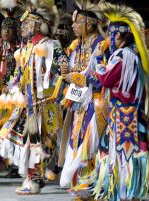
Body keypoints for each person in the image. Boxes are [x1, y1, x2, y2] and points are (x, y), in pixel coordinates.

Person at [0, 0, 68, 195]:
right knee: (19, 140)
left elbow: (62, 66)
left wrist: (62, 72)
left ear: (37, 25)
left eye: (27, 24)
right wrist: (11, 87)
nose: (23, 28)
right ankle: (32, 178)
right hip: (28, 103)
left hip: (44, 104)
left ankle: (35, 180)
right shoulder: (26, 49)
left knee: (37, 144)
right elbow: (19, 75)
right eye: (23, 24)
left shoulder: (50, 45)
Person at [91, 2, 149, 200]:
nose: (110, 39)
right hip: (129, 113)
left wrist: (98, 61)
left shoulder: (124, 56)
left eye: (113, 35)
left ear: (120, 36)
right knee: (122, 152)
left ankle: (125, 192)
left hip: (125, 115)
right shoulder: (133, 54)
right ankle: (126, 191)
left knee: (124, 154)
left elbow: (106, 78)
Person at [58, 0, 107, 199]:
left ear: (89, 24)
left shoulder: (101, 45)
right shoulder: (76, 46)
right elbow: (70, 71)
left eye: (77, 22)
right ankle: (82, 184)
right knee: (75, 141)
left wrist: (75, 77)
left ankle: (92, 185)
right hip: (78, 103)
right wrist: (65, 71)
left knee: (90, 144)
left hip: (95, 102)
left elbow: (100, 76)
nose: (72, 26)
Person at [0, 0, 22, 179]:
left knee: (12, 129)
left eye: (10, 28)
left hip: (14, 95)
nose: (6, 32)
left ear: (15, 30)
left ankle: (14, 164)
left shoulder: (20, 49)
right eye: (3, 29)